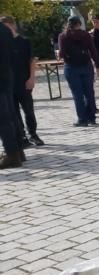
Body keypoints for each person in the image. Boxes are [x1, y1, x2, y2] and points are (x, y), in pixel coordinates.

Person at [1, 16, 43, 147]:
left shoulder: (24, 41)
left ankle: (33, 134)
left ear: (12, 25)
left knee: (29, 110)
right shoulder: (4, 43)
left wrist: (32, 78)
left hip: (24, 81)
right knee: (14, 113)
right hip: (9, 84)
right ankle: (22, 136)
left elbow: (31, 60)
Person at [59, 15, 99, 127]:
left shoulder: (63, 36)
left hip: (71, 67)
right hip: (86, 66)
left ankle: (82, 119)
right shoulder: (86, 35)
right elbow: (93, 51)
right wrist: (98, 65)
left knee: (77, 95)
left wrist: (59, 54)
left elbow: (62, 54)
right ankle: (91, 117)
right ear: (79, 23)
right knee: (89, 93)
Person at [0, 22, 23, 168]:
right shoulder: (4, 29)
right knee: (12, 115)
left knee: (3, 118)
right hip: (7, 75)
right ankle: (19, 150)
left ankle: (12, 154)